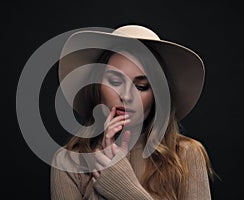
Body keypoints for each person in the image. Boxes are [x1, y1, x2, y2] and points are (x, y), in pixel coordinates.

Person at [50, 25, 215, 200]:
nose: (127, 96)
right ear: (97, 87)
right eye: (115, 81)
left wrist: (125, 190)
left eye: (141, 86)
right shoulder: (68, 162)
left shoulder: (186, 154)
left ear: (156, 96)